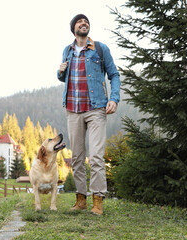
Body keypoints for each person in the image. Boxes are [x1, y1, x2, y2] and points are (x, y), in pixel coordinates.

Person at [57, 14, 120, 215]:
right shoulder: (67, 51)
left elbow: (114, 75)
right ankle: (81, 199)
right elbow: (64, 77)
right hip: (73, 110)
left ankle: (98, 201)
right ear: (73, 28)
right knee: (76, 157)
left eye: (86, 21)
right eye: (79, 21)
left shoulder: (100, 49)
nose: (83, 23)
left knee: (97, 157)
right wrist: (59, 72)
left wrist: (114, 98)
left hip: (96, 109)